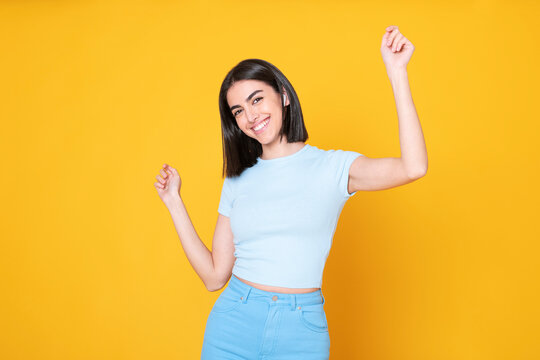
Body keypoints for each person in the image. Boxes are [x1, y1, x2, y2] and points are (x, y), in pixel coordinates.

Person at [154, 25, 427, 360]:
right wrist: (174, 202)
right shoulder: (238, 179)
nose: (250, 116)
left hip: (302, 330)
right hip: (233, 323)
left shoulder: (333, 167)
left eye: (256, 100)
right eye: (238, 111)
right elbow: (214, 277)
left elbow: (413, 167)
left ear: (282, 94)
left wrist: (397, 73)